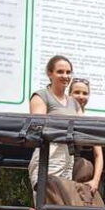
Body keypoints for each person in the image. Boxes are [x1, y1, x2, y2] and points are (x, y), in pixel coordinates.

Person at [28, 55, 81, 188]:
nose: (65, 76)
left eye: (68, 72)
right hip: (49, 154)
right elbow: (38, 128)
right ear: (49, 74)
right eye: (60, 72)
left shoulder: (74, 102)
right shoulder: (41, 96)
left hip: (68, 156)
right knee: (46, 202)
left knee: (63, 205)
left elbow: (83, 128)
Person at [69, 77, 104, 195]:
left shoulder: (91, 123)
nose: (81, 96)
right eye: (76, 92)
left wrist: (95, 181)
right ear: (69, 94)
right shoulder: (60, 114)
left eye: (85, 93)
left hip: (76, 173)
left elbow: (98, 155)